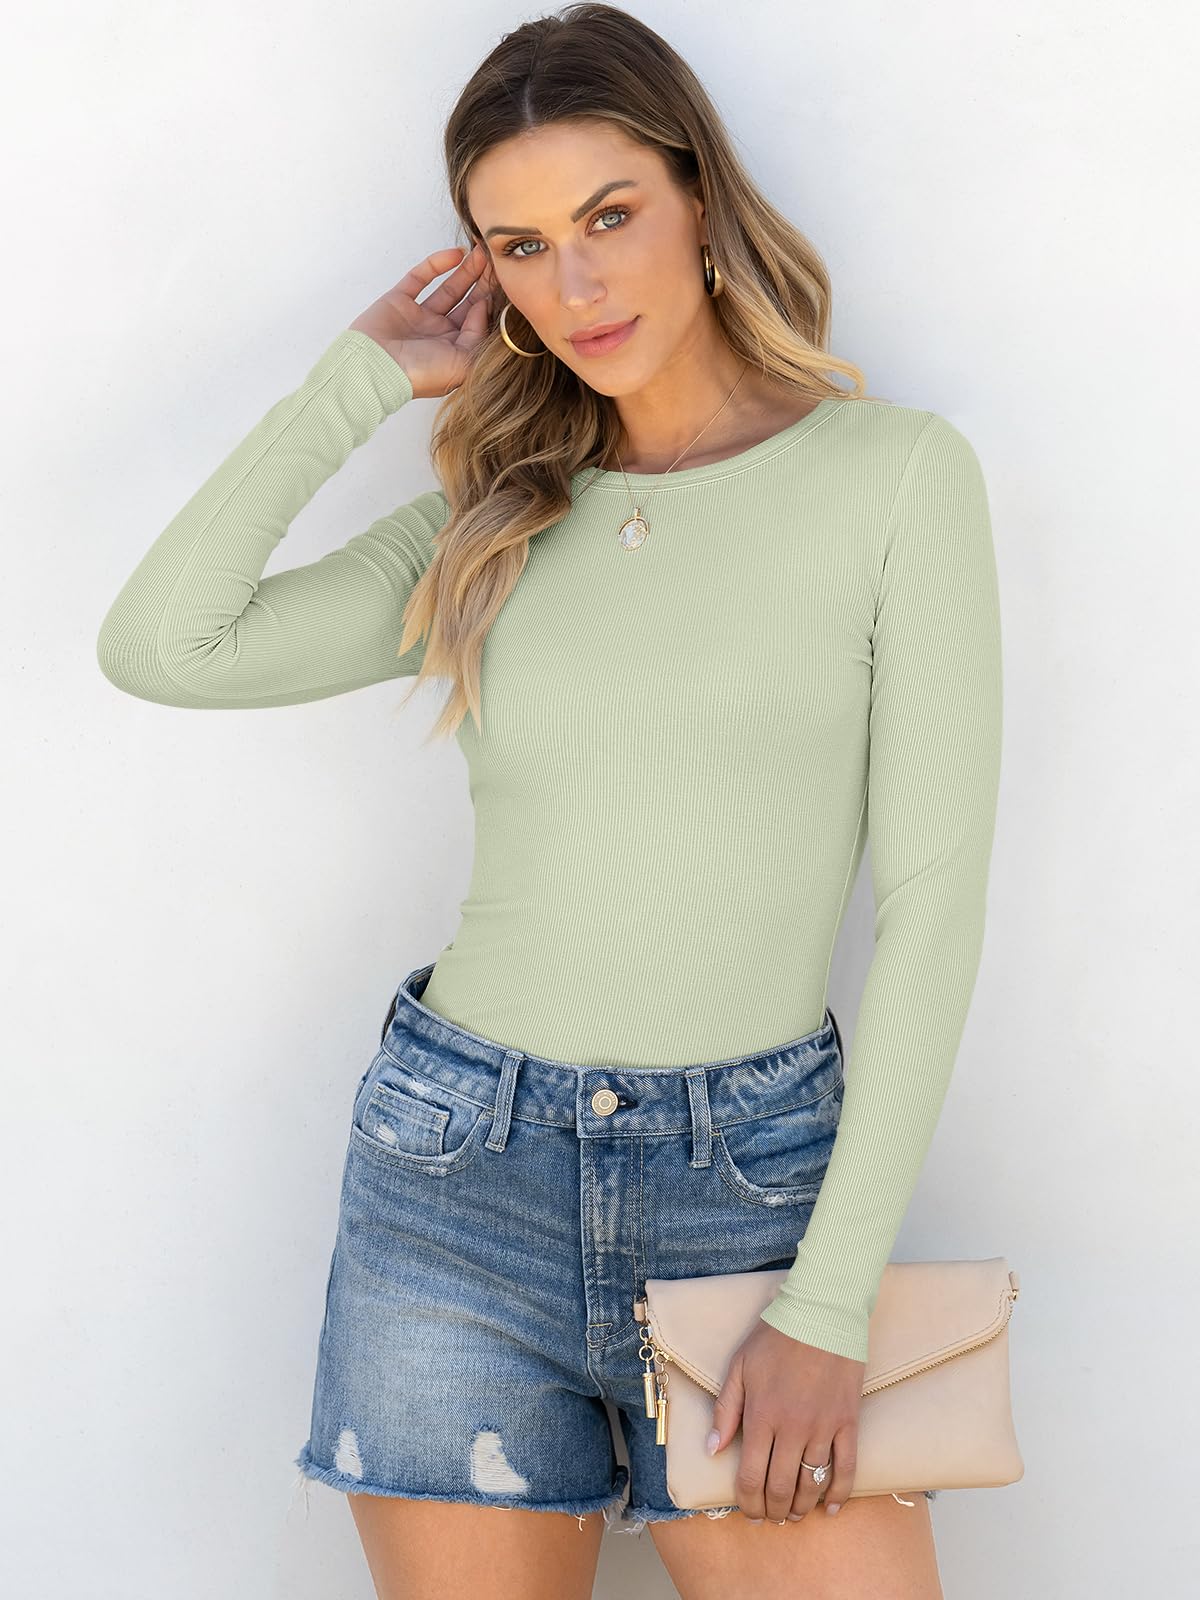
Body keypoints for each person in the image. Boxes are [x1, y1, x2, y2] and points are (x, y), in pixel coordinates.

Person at [96, 5, 1001, 1596]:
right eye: (519, 247)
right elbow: (165, 648)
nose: (574, 287)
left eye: (608, 218)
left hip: (756, 1191)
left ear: (699, 197)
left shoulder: (894, 477)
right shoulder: (496, 523)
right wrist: (356, 382)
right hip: (458, 1184)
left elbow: (932, 906)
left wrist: (829, 1305)